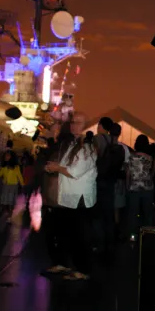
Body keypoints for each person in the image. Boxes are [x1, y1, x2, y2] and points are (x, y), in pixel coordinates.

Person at [44, 111, 97, 281]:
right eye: (73, 122)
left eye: (78, 123)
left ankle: (83, 269)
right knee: (65, 233)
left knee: (80, 236)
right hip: (68, 197)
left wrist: (56, 168)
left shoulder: (87, 147)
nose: (74, 125)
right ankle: (64, 263)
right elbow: (66, 165)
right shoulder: (73, 144)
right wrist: (55, 166)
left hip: (79, 198)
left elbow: (75, 171)